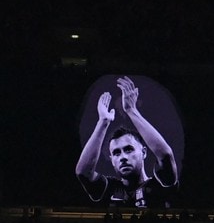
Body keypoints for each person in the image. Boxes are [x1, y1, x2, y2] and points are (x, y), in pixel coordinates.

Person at [76, 77, 178, 208]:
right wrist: (103, 122)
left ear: (144, 152)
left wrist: (131, 110)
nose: (123, 157)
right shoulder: (109, 187)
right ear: (112, 160)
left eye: (129, 149)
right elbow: (82, 172)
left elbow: (165, 155)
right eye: (116, 153)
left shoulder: (160, 184)